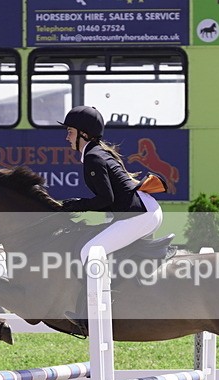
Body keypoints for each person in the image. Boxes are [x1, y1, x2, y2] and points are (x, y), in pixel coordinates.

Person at [59, 105, 163, 332]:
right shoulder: (96, 153)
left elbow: (105, 199)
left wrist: (77, 205)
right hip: (141, 210)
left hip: (140, 215)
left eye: (70, 131)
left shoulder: (94, 157)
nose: (67, 137)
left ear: (84, 134)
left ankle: (92, 313)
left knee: (90, 251)